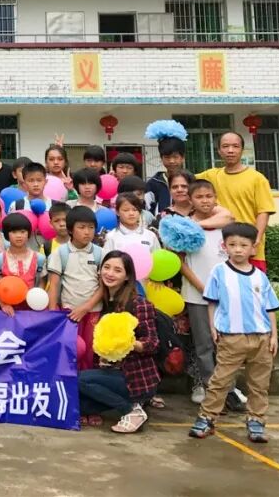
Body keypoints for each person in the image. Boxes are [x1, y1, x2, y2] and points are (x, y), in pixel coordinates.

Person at [189, 223, 279, 443]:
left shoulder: (260, 276)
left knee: (259, 384)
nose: (238, 249)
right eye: (232, 244)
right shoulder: (219, 272)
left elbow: (269, 308)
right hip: (231, 338)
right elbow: (212, 303)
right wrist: (213, 327)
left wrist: (274, 335)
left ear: (253, 248)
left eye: (243, 245)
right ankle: (207, 417)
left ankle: (256, 420)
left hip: (261, 338)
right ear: (225, 246)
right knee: (220, 381)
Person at [77, 251, 160, 432]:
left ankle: (131, 410)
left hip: (134, 378)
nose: (110, 273)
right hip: (110, 375)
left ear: (127, 276)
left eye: (117, 270)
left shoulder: (139, 303)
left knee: (79, 380)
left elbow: (153, 343)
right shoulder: (106, 304)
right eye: (106, 268)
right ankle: (130, 404)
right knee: (78, 405)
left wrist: (127, 342)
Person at [181, 180, 234, 405]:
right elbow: (180, 263)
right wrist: (203, 288)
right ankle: (211, 389)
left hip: (226, 295)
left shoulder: (225, 225)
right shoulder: (184, 228)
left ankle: (229, 389)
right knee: (203, 344)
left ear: (215, 198)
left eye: (209, 196)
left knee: (227, 344)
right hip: (197, 295)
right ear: (190, 200)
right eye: (199, 197)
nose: (205, 201)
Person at [196, 132, 276, 272]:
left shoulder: (257, 179)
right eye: (225, 146)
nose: (230, 150)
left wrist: (255, 241)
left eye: (235, 146)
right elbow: (182, 180)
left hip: (248, 249)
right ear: (219, 151)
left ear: (242, 150)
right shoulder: (211, 175)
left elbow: (263, 212)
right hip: (221, 249)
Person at [48, 206, 104, 370]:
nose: (87, 232)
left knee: (90, 350)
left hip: (93, 311)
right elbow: (54, 284)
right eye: (82, 227)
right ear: (71, 229)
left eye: (91, 227)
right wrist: (52, 312)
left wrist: (86, 307)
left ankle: (87, 381)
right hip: (69, 311)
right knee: (71, 349)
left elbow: (103, 286)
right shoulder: (61, 253)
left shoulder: (100, 253)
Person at [0, 213, 46, 315]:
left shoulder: (39, 259)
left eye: (23, 231)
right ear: (6, 234)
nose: (19, 236)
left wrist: (37, 301)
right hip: (6, 313)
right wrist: (3, 305)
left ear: (28, 233)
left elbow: (41, 283)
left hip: (31, 313)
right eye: (14, 232)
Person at [146, 130, 188, 216]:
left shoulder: (191, 181)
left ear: (183, 158)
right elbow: (147, 209)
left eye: (175, 157)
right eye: (167, 157)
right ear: (161, 158)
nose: (171, 161)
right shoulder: (153, 183)